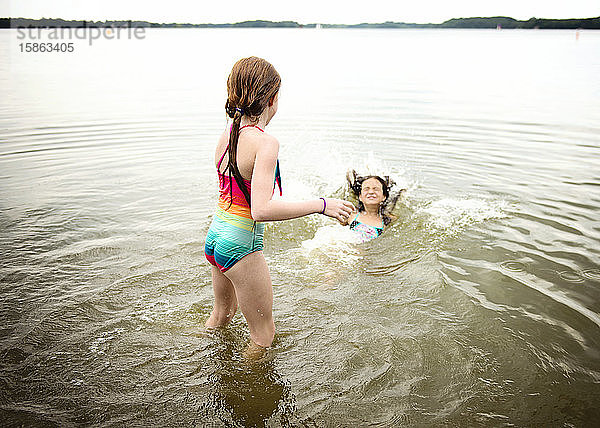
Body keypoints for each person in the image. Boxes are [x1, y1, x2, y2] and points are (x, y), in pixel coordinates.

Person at [204, 56, 355, 354]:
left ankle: (201, 361)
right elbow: (261, 209)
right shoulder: (265, 142)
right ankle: (240, 393)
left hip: (215, 237)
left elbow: (240, 192)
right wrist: (320, 205)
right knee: (263, 336)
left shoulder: (227, 134)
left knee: (221, 316)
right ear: (272, 98)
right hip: (240, 245)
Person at [340, 170, 404, 242]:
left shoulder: (388, 221)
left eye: (376, 189)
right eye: (366, 189)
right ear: (360, 197)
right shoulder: (351, 214)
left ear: (384, 196)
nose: (371, 192)